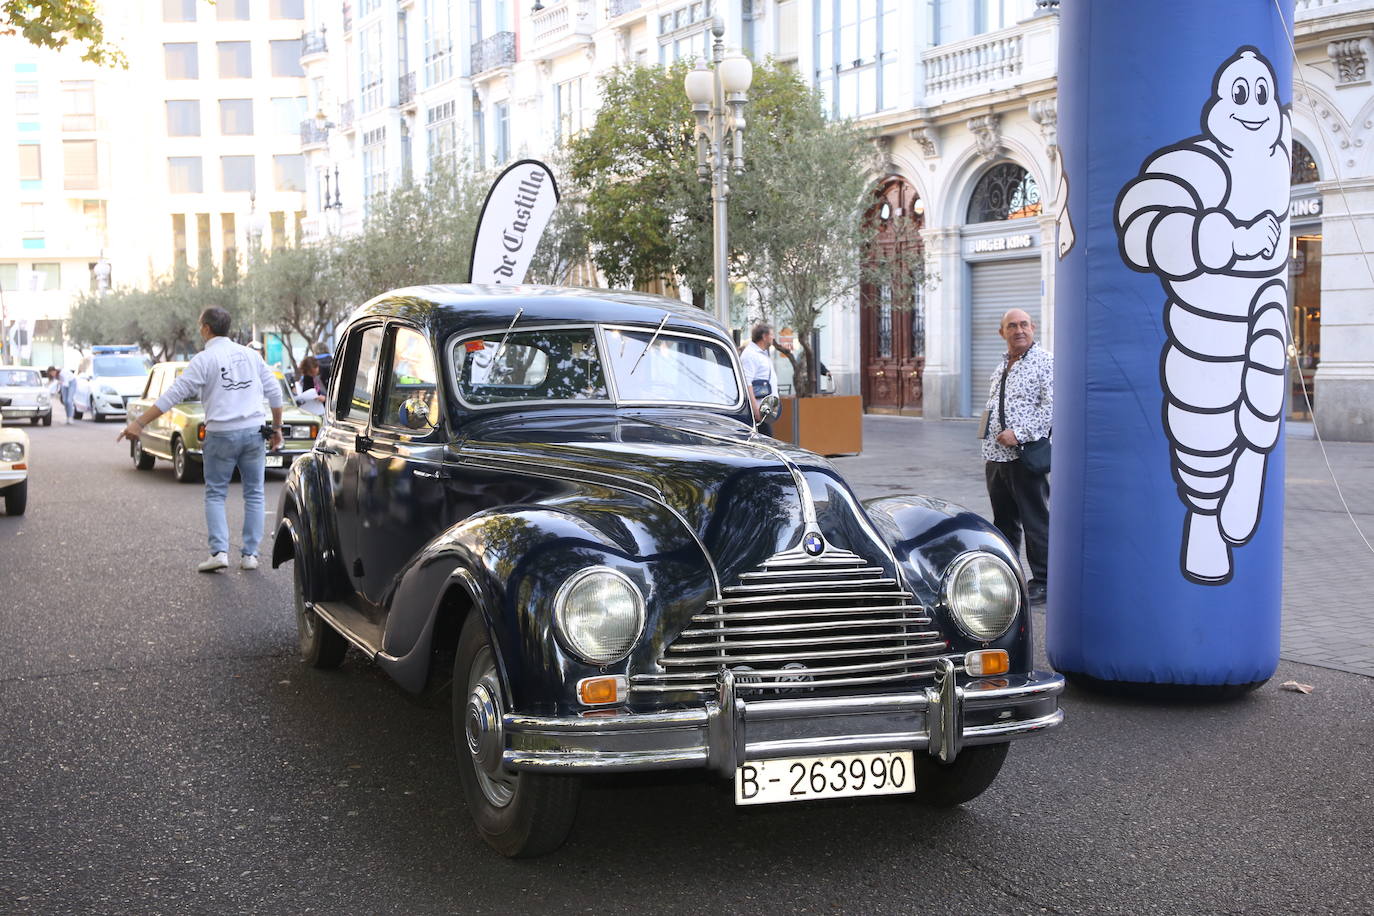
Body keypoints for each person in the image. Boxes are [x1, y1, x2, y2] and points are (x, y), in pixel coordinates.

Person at [117, 307, 283, 573]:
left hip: (221, 434)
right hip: (254, 431)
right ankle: (250, 555)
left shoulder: (204, 359)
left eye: (199, 327)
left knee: (216, 493)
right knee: (254, 493)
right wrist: (276, 428)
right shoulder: (252, 356)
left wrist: (139, 423)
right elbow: (275, 393)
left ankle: (219, 552)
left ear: (207, 328)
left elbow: (172, 395)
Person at [981, 308, 1053, 603]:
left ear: (1033, 328)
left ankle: (1045, 581)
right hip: (995, 456)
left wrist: (1019, 433)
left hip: (1025, 455)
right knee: (1003, 522)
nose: (1019, 330)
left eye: (1024, 324)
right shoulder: (1001, 366)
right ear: (1003, 333)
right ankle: (1008, 576)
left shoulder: (1045, 362)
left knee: (1035, 519)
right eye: (1012, 326)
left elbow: (1052, 408)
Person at [740, 322, 778, 436]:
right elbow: (747, 383)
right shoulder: (750, 355)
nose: (773, 337)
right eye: (771, 334)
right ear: (764, 336)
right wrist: (755, 409)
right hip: (757, 411)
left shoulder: (761, 353)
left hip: (764, 410)